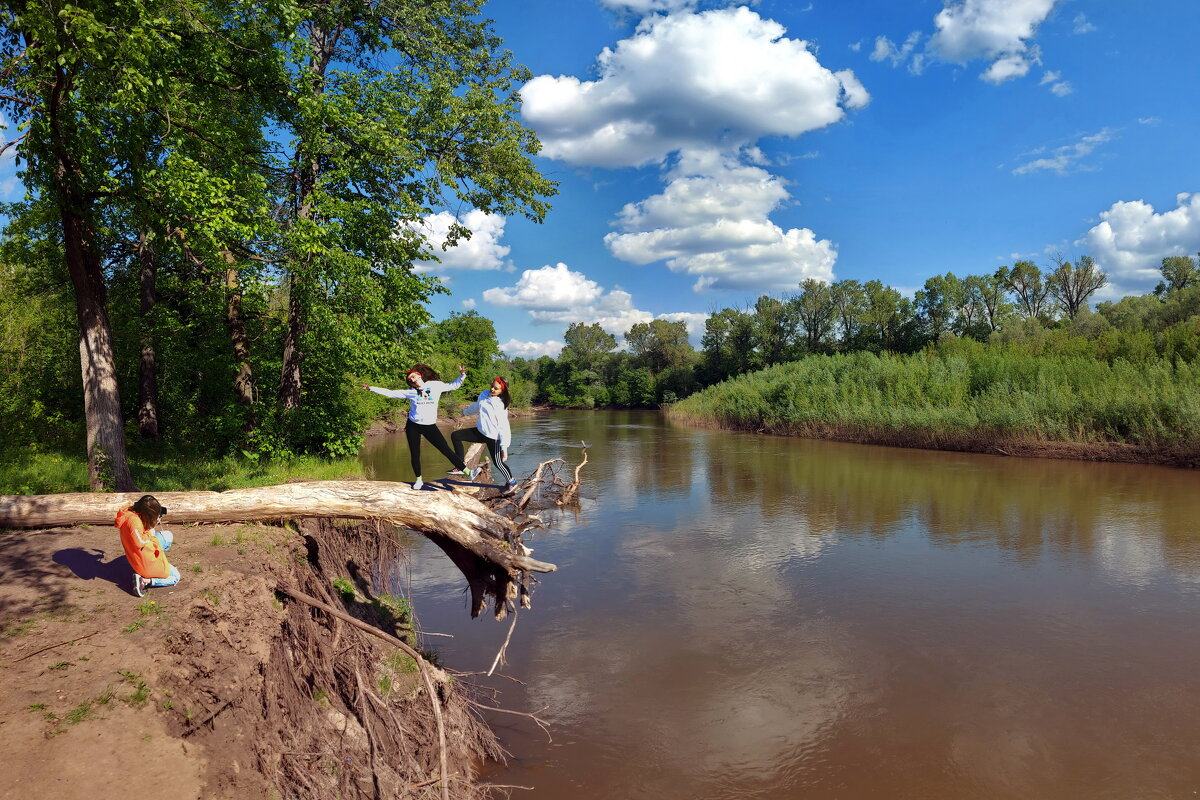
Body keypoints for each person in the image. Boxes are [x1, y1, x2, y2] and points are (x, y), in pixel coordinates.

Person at [364, 363, 479, 490]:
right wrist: (372, 388)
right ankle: (418, 479)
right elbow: (391, 393)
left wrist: (462, 375)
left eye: (413, 376)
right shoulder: (411, 392)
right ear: (411, 383)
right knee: (415, 453)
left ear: (419, 375)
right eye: (410, 380)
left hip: (429, 426)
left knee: (446, 450)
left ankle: (469, 473)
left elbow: (453, 386)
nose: (411, 379)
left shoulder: (435, 386)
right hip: (413, 425)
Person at [451, 376, 517, 492]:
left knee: (498, 463)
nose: (492, 389)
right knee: (456, 436)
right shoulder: (484, 394)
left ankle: (511, 482)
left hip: (493, 437)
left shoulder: (500, 405)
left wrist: (504, 447)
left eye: (496, 389)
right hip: (480, 431)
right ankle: (460, 466)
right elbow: (477, 406)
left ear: (502, 391)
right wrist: (465, 412)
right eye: (492, 386)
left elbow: (504, 426)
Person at [115, 494, 179, 598]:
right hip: (144, 560)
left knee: (167, 536)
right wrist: (155, 543)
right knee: (176, 576)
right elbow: (140, 542)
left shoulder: (130, 514)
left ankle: (156, 566)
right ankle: (145, 581)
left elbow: (142, 534)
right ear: (148, 515)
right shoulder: (134, 523)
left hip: (135, 554)